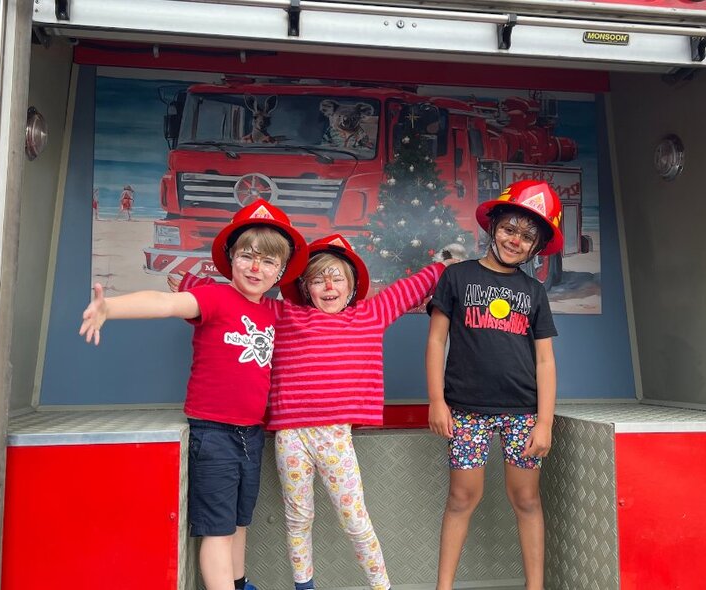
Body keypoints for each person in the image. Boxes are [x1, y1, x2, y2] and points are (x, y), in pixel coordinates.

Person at [175, 234, 457, 590]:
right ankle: (304, 586)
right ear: (305, 288)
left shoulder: (370, 314)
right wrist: (191, 284)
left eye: (337, 277)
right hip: (291, 438)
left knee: (356, 520)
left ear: (352, 287)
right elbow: (235, 302)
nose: (328, 285)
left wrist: (444, 266)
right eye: (318, 278)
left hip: (335, 438)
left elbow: (407, 289)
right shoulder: (284, 314)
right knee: (298, 519)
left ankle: (382, 586)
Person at [79, 199, 308, 590]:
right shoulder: (215, 298)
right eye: (248, 256)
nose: (256, 268)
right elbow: (166, 302)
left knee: (238, 521)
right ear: (230, 259)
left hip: (251, 433)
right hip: (213, 433)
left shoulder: (275, 311)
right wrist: (110, 308)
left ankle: (239, 582)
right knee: (217, 528)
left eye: (268, 262)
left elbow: (325, 321)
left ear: (280, 272)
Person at [425, 180, 562, 590]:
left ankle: (534, 587)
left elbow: (545, 359)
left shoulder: (534, 292)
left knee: (527, 500)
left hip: (523, 413)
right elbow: (436, 340)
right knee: (462, 498)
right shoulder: (456, 278)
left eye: (527, 236)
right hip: (465, 410)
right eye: (509, 229)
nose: (515, 240)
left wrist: (545, 423)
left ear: (536, 247)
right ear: (493, 226)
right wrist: (436, 400)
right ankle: (443, 587)